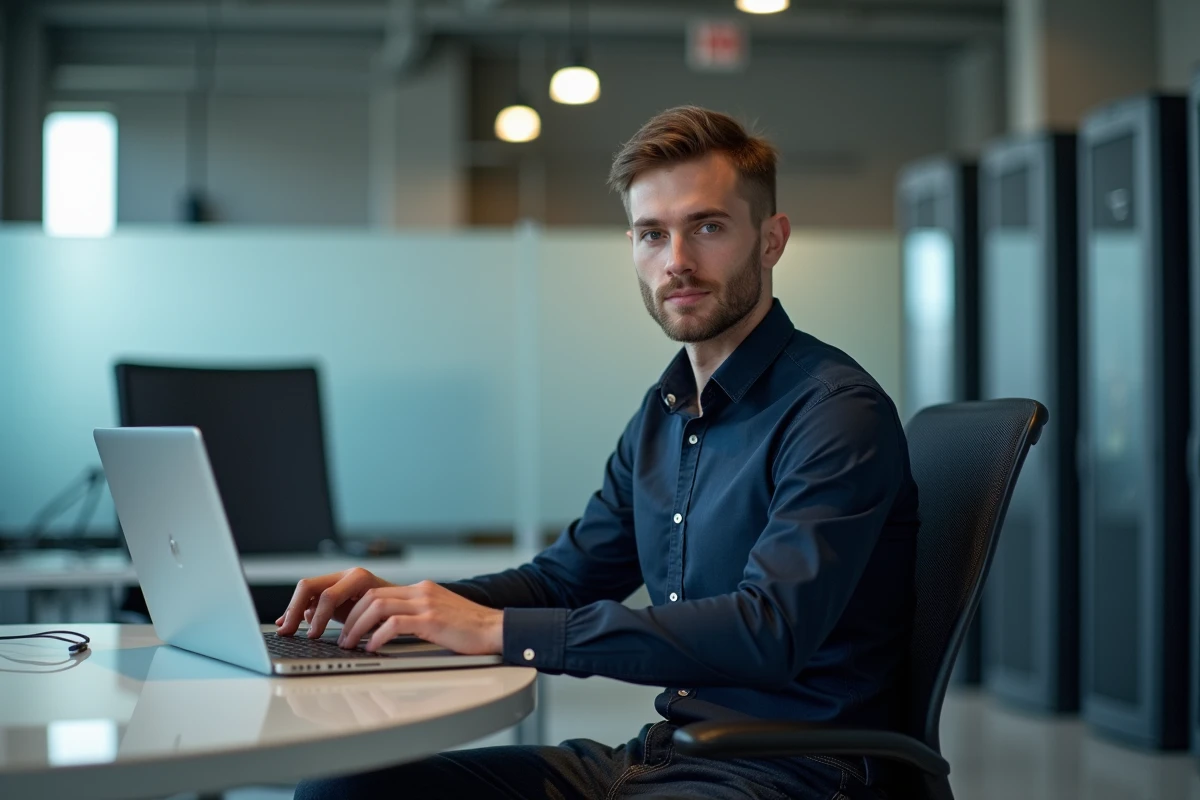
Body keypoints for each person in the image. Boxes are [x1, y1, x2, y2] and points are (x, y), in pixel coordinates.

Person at [280, 105, 919, 800]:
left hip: (796, 773)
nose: (677, 261)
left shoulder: (834, 411)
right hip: (669, 757)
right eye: (652, 234)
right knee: (343, 790)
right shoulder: (664, 414)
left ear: (772, 240)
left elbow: (767, 631)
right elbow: (564, 581)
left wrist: (501, 630)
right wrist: (412, 608)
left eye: (707, 227)